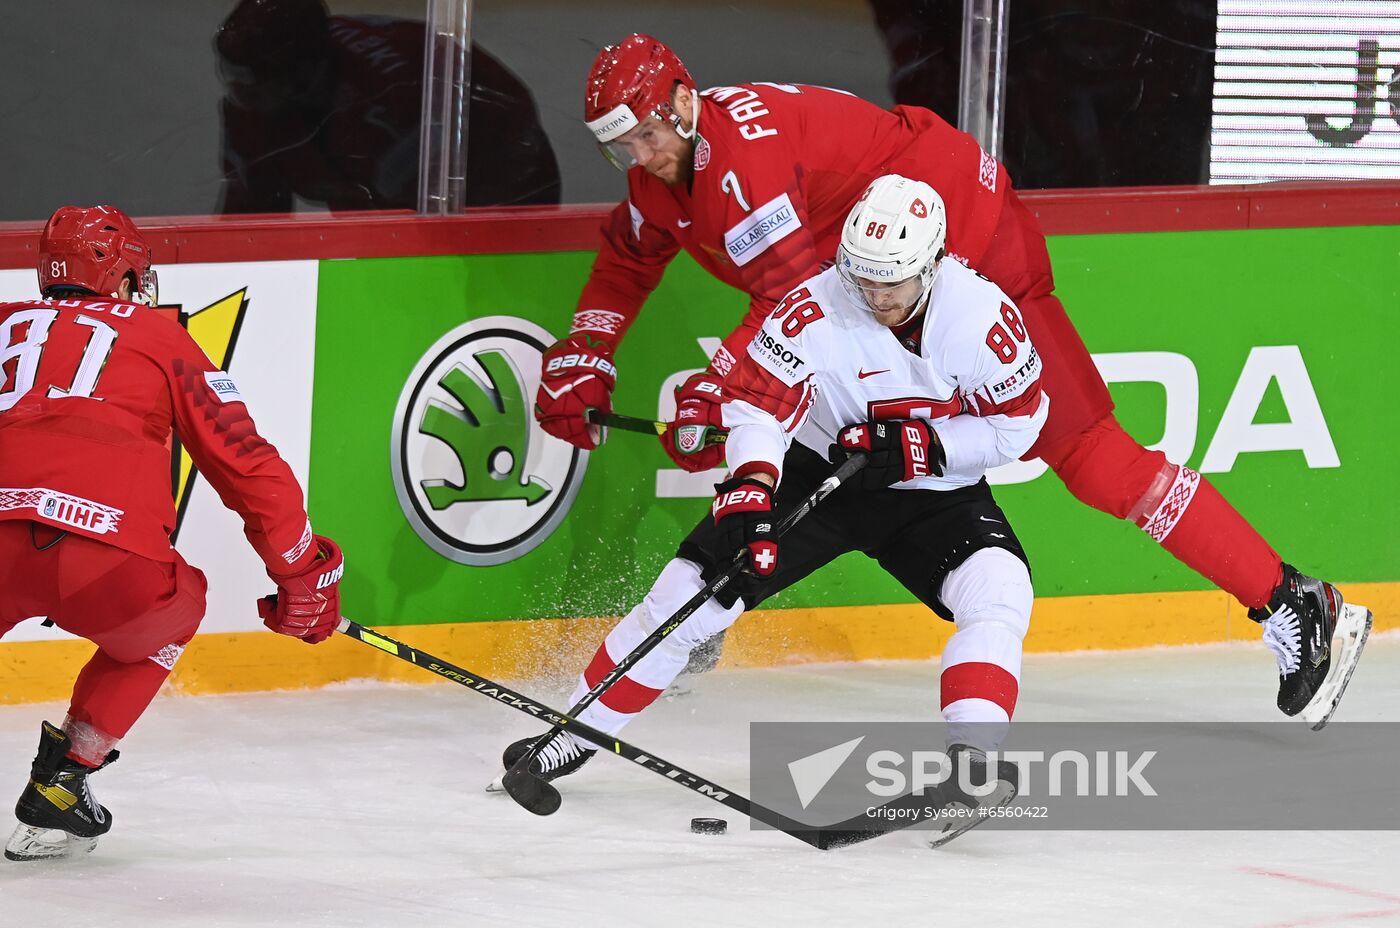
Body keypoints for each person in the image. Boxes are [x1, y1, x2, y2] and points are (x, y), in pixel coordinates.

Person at [533, 33, 1368, 721]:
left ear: (683, 100)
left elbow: (793, 301)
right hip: (886, 272)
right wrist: (587, 348)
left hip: (965, 251)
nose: (640, 156)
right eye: (621, 148)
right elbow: (630, 252)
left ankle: (1290, 598)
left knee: (1083, 452)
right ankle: (705, 611)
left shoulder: (741, 165)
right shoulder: (668, 173)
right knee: (790, 423)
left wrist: (718, 390)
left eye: (647, 134)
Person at [501, 177, 1040, 831]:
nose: (874, 297)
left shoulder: (981, 317)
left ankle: (973, 766)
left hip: (932, 490)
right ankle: (570, 735)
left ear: (932, 264)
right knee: (687, 597)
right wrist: (752, 489)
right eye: (862, 278)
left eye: (891, 283)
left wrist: (925, 449)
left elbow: (1019, 424)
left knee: (1001, 590)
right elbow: (758, 403)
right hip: (819, 473)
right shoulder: (814, 306)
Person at [0, 206, 345, 862]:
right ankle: (63, 780)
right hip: (104, 557)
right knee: (174, 612)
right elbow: (243, 458)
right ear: (125, 274)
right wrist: (300, 571)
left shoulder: (4, 321)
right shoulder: (157, 336)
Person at [214, 0, 561, 212]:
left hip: (510, 184)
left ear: (305, 71)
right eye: (233, 76)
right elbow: (250, 216)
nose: (242, 92)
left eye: (259, 80)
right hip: (381, 191)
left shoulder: (396, 87)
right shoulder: (252, 108)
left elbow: (408, 229)